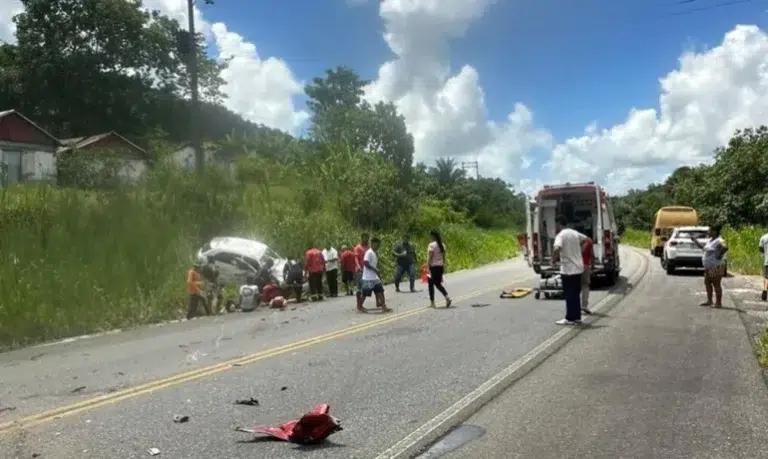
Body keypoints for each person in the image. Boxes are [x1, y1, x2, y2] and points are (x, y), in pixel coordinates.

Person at [552, 215, 589, 325]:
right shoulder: (574, 233)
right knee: (575, 293)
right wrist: (578, 248)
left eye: (556, 225)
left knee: (569, 294)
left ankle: (569, 318)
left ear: (559, 224)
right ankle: (576, 317)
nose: (556, 227)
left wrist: (553, 260)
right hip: (578, 268)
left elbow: (556, 248)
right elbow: (586, 239)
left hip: (568, 269)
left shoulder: (561, 235)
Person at [693, 224, 728, 308]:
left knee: (716, 284)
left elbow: (725, 247)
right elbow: (704, 248)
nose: (708, 232)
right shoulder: (711, 240)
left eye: (710, 231)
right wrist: (695, 241)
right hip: (709, 267)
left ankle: (718, 303)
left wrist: (719, 255)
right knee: (707, 282)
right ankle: (709, 301)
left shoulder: (719, 240)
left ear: (715, 232)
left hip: (716, 266)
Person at [360, 236, 392, 313]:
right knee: (365, 293)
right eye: (377, 244)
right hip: (368, 278)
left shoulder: (374, 253)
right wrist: (374, 269)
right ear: (373, 244)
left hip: (374, 277)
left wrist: (377, 271)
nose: (378, 246)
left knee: (380, 291)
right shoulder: (369, 252)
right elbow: (365, 263)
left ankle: (384, 306)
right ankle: (360, 306)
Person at [427, 230, 452, 308]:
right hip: (440, 267)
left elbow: (430, 258)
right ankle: (446, 297)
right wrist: (443, 265)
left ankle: (433, 302)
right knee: (437, 283)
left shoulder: (431, 245)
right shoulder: (442, 245)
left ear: (433, 236)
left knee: (431, 285)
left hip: (433, 267)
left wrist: (428, 267)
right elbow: (444, 257)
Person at [354, 233, 370, 311]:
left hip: (368, 270)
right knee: (360, 288)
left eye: (367, 237)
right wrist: (358, 266)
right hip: (360, 270)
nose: (365, 239)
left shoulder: (368, 248)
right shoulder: (358, 247)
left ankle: (360, 305)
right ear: (361, 238)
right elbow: (356, 258)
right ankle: (359, 305)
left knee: (367, 288)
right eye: (364, 237)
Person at [581, 236, 595, 315]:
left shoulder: (575, 240)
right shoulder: (589, 241)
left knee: (575, 287)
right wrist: (592, 267)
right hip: (585, 266)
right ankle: (584, 305)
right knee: (585, 285)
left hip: (575, 266)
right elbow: (592, 255)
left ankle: (575, 306)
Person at [760, 232, 768, 301]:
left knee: (766, 277)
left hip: (767, 261)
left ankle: (765, 289)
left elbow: (760, 247)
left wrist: (764, 253)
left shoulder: (764, 237)